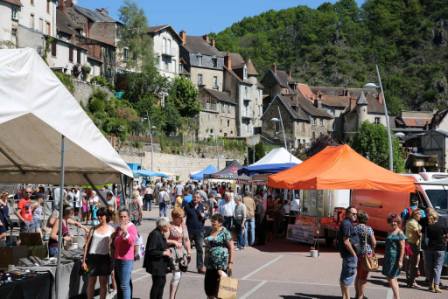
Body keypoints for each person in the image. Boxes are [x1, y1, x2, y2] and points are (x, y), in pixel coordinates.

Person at [83, 207, 115, 299]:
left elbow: (113, 247)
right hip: (92, 258)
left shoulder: (111, 230)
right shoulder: (93, 229)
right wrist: (84, 261)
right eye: (98, 216)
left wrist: (113, 260)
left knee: (103, 283)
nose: (99, 217)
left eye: (101, 215)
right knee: (91, 282)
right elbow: (87, 245)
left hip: (104, 258)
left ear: (106, 216)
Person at [204, 214, 234, 299]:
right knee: (209, 290)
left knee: (221, 290)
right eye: (212, 220)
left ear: (220, 222)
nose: (212, 222)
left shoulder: (225, 232)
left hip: (220, 265)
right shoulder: (209, 230)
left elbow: (231, 247)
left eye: (214, 221)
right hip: (209, 264)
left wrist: (230, 263)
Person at [143, 217, 172, 299]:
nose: (169, 226)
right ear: (162, 226)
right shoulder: (155, 234)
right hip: (156, 265)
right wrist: (163, 252)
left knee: (161, 283)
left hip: (161, 265)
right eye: (167, 225)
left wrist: (166, 250)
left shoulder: (160, 233)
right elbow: (151, 251)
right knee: (157, 284)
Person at [167, 208, 192, 299]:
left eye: (183, 217)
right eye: (180, 217)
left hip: (182, 253)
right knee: (176, 275)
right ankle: (171, 297)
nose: (182, 219)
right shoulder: (169, 226)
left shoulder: (183, 226)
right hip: (172, 253)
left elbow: (186, 239)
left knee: (179, 275)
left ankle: (173, 296)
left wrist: (189, 252)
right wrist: (173, 242)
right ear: (174, 217)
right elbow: (162, 240)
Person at [113, 208, 138, 299]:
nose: (123, 218)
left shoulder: (131, 227)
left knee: (124, 285)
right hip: (118, 258)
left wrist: (125, 232)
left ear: (128, 217)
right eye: (121, 217)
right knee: (120, 284)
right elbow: (115, 243)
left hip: (126, 260)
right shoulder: (118, 228)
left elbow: (131, 241)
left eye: (125, 216)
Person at [423, 208, 447, 293]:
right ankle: (436, 286)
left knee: (430, 267)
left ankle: (430, 285)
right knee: (438, 267)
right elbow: (446, 233)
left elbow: (422, 232)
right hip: (440, 248)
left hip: (429, 248)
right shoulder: (443, 220)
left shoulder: (426, 221)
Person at [337, 207, 359, 299]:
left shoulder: (347, 223)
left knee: (344, 278)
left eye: (356, 214)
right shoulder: (346, 224)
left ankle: (344, 297)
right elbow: (346, 241)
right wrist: (354, 254)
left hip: (347, 255)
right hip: (349, 255)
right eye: (353, 213)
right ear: (347, 213)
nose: (355, 216)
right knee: (347, 279)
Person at [382, 214, 406, 299]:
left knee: (391, 278)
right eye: (392, 221)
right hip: (388, 257)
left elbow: (403, 248)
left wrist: (400, 260)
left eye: (395, 221)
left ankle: (397, 297)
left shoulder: (400, 232)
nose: (393, 223)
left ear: (398, 222)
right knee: (392, 278)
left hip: (394, 259)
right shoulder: (389, 231)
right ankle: (396, 297)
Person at [353, 211, 376, 299]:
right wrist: (373, 250)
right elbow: (374, 242)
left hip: (357, 253)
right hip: (366, 254)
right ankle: (360, 296)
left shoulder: (354, 228)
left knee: (358, 275)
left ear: (358, 219)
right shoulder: (368, 229)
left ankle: (357, 294)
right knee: (363, 278)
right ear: (366, 220)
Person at [184, 192, 206, 273]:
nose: (195, 199)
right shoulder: (187, 206)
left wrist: (203, 217)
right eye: (194, 197)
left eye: (197, 197)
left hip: (199, 230)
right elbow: (183, 216)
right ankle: (184, 264)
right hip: (189, 230)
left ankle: (200, 267)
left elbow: (203, 218)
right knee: (186, 249)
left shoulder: (201, 206)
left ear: (200, 199)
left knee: (199, 249)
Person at [404, 209, 422, 288]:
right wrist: (422, 234)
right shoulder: (412, 223)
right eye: (420, 214)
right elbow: (419, 234)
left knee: (411, 263)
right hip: (411, 244)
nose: (421, 216)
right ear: (415, 215)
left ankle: (411, 281)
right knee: (411, 263)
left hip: (411, 243)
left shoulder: (413, 222)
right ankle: (410, 281)